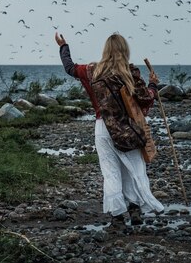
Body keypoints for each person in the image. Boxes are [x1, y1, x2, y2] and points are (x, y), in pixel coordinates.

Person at [55, 31, 164, 231]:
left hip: (103, 128)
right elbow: (147, 99)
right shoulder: (131, 74)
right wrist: (153, 85)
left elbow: (69, 68)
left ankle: (117, 217)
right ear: (125, 51)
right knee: (133, 171)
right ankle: (135, 210)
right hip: (128, 128)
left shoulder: (91, 71)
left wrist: (63, 46)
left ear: (105, 50)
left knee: (111, 172)